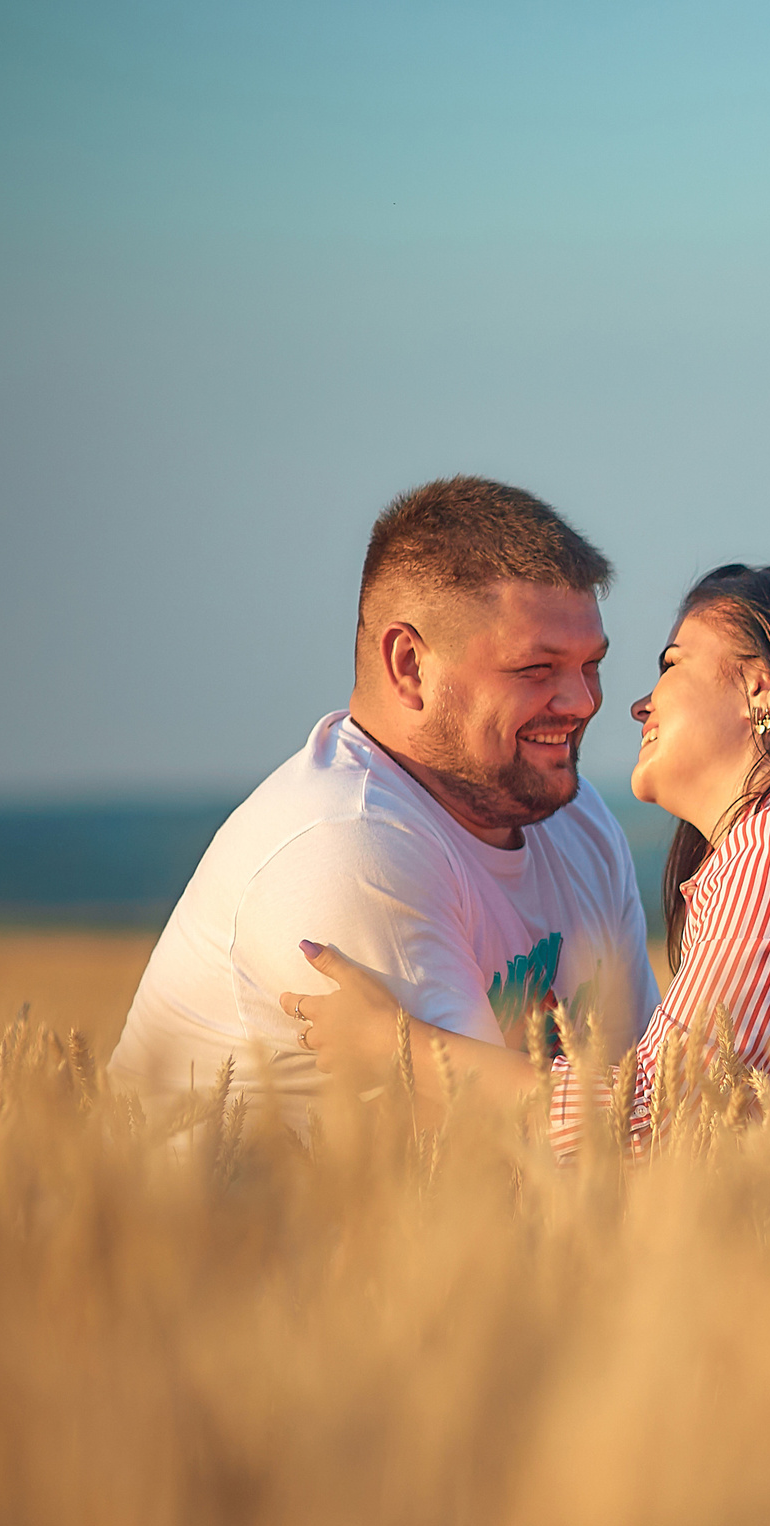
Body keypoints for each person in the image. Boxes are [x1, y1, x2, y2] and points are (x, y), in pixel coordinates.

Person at [286, 563, 770, 1156]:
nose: (634, 703)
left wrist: (395, 1048)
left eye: (670, 663)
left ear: (762, 688)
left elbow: (640, 1130)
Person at [109, 476, 659, 1133]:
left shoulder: (581, 821)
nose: (582, 700)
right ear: (409, 665)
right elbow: (505, 1151)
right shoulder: (347, 845)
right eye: (537, 670)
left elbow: (654, 1103)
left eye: (590, 664)